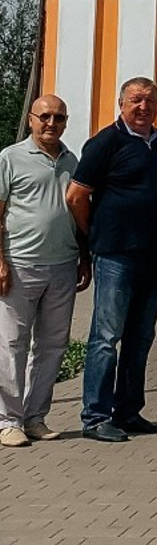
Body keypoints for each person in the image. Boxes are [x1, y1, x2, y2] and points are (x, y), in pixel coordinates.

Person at [67, 77, 157, 443]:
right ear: (121, 103)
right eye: (136, 101)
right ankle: (95, 416)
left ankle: (128, 411)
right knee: (106, 337)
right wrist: (95, 232)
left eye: (150, 101)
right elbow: (76, 195)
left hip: (152, 252)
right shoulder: (104, 142)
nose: (143, 108)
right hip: (115, 254)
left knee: (141, 336)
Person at [0, 96, 87, 447]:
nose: (52, 123)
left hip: (62, 266)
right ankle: (8, 420)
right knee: (11, 344)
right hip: (19, 265)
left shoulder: (72, 160)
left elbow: (78, 212)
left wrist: (84, 257)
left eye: (59, 117)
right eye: (45, 116)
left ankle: (36, 417)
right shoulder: (10, 157)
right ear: (32, 119)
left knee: (52, 345)